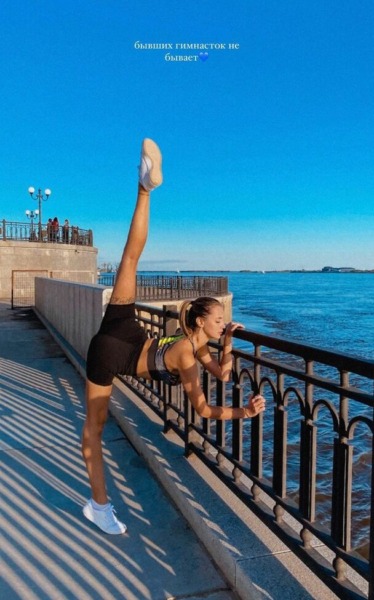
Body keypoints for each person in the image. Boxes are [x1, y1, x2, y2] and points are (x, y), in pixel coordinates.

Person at [82, 138, 266, 535]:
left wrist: (229, 341)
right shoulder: (187, 353)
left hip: (121, 329)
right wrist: (244, 414)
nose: (223, 323)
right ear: (200, 322)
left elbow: (221, 373)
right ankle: (98, 506)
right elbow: (203, 410)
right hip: (114, 355)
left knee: (130, 259)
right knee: (92, 432)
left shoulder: (194, 343)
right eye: (219, 320)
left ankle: (144, 188)